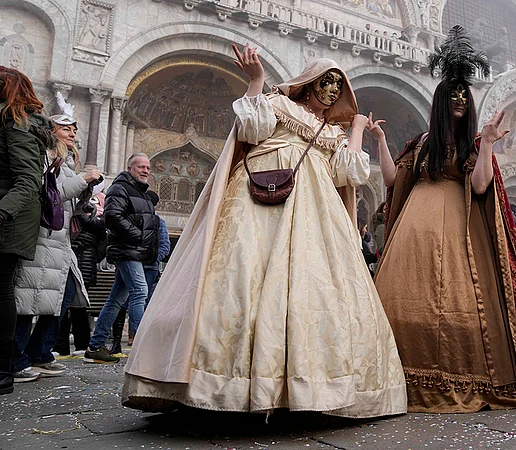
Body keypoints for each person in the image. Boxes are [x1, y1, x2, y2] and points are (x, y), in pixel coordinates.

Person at [122, 45, 406, 418]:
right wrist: (256, 79)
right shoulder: (279, 105)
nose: (333, 90)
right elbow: (249, 128)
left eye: (339, 85)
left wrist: (354, 129)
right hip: (258, 201)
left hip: (316, 213)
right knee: (240, 275)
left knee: (313, 286)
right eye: (327, 81)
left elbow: (348, 174)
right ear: (309, 82)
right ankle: (219, 383)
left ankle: (302, 388)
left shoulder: (330, 133)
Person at [374, 26, 516, 413]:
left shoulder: (471, 145)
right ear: (441, 101)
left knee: (461, 303)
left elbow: (481, 185)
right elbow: (393, 180)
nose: (460, 100)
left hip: (459, 235)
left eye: (465, 96)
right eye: (453, 96)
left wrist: (486, 143)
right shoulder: (421, 144)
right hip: (412, 237)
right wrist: (380, 142)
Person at [12, 109, 101, 381]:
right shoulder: (46, 158)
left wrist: (87, 194)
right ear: (52, 132)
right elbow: (49, 195)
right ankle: (16, 359)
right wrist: (83, 180)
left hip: (60, 243)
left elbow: (67, 202)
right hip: (41, 239)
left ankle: (40, 353)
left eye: (75, 129)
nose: (73, 133)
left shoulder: (66, 163)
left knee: (63, 294)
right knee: (28, 298)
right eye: (66, 129)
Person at [0, 67, 52, 393]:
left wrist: (2, 212)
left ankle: (4, 371)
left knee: (2, 290)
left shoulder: (17, 124)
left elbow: (28, 180)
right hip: (11, 214)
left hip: (11, 220)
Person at [84, 153, 158, 364]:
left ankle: (96, 345)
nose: (145, 170)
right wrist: (139, 236)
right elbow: (112, 217)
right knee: (140, 291)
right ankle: (142, 345)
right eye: (141, 167)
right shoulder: (120, 188)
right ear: (130, 168)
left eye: (148, 167)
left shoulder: (141, 192)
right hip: (127, 249)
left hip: (136, 251)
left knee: (116, 298)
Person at [110, 191, 170, 355]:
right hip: (129, 264)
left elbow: (164, 246)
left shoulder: (158, 222)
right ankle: (116, 341)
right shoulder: (130, 217)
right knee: (122, 302)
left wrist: (149, 258)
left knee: (141, 301)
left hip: (148, 268)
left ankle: (136, 337)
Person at [55, 193, 105, 357]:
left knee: (77, 306)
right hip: (71, 258)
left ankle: (80, 344)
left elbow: (101, 238)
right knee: (65, 304)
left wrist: (81, 211)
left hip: (83, 262)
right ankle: (61, 345)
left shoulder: (94, 217)